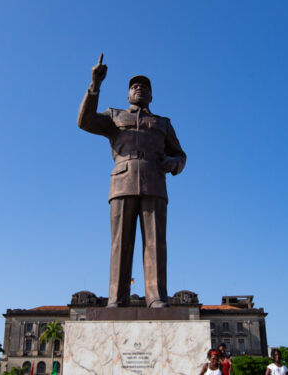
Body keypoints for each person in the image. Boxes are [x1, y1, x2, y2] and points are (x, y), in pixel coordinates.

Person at [77, 54, 187, 308]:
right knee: (120, 243)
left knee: (156, 243)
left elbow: (180, 154)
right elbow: (84, 121)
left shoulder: (163, 123)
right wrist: (95, 84)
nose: (139, 89)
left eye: (144, 87)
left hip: (155, 180)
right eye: (134, 87)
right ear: (128, 95)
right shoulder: (114, 116)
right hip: (122, 181)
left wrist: (175, 163)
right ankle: (117, 298)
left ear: (151, 96)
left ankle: (156, 297)